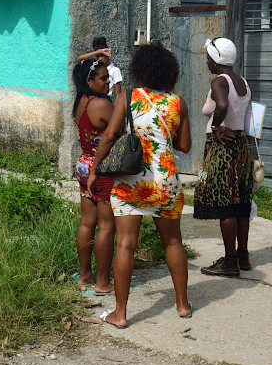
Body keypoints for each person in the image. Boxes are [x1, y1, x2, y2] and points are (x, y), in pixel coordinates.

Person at [88, 42, 193, 327]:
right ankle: (182, 305)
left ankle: (120, 314)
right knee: (173, 242)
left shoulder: (129, 97)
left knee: (125, 244)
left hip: (132, 182)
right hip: (166, 182)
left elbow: (109, 137)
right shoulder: (177, 103)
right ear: (169, 72)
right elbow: (185, 145)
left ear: (140, 69)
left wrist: (96, 169)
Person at [193, 37, 254, 276]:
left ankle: (229, 262)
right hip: (241, 147)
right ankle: (242, 257)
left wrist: (217, 126)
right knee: (240, 204)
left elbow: (221, 105)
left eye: (209, 57)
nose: (207, 61)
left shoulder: (219, 80)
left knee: (226, 204)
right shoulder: (243, 82)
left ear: (217, 60)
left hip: (223, 148)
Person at [72, 58, 116, 295]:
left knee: (87, 222)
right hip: (101, 170)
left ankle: (85, 275)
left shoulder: (81, 101)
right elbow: (119, 131)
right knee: (107, 227)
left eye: (108, 77)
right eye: (103, 78)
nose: (108, 81)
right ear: (89, 81)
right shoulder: (102, 105)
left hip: (83, 165)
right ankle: (102, 282)